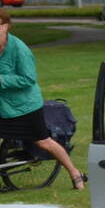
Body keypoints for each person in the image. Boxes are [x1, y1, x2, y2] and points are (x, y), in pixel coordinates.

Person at [0, 11, 86, 190]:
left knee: (43, 141)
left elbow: (28, 79)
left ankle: (74, 172)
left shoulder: (19, 49)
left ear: (6, 26)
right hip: (3, 106)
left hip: (25, 107)